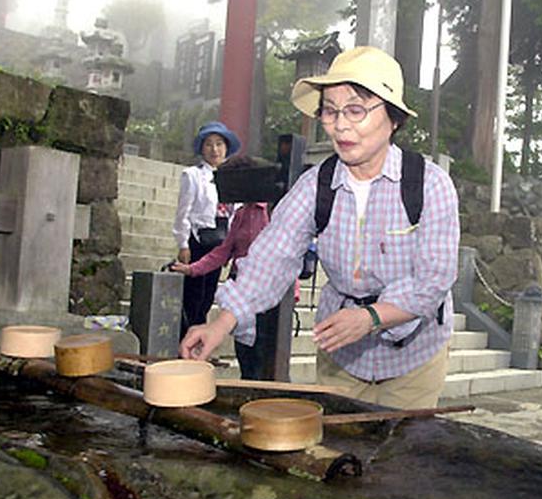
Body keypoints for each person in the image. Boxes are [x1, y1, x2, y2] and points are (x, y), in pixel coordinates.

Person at [179, 46, 460, 410]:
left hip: (414, 354)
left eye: (356, 109)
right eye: (330, 111)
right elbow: (272, 257)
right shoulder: (317, 185)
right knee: (340, 453)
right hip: (341, 352)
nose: (340, 124)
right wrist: (220, 323)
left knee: (399, 457)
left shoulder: (430, 184)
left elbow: (434, 278)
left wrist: (372, 317)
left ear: (393, 119)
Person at [172, 155, 272, 380]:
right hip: (241, 291)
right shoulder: (242, 213)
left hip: (267, 294)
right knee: (245, 353)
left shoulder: (272, 211)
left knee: (262, 357)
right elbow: (224, 251)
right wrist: (192, 269)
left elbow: (284, 254)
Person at [172, 121, 239, 338]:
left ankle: (199, 338)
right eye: (209, 144)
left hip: (220, 242)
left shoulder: (233, 177)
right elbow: (184, 212)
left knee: (209, 294)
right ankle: (187, 338)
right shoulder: (192, 175)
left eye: (219, 144)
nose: (214, 149)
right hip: (198, 239)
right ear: (202, 148)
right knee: (193, 293)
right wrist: (183, 243)